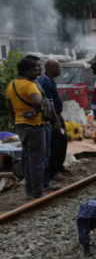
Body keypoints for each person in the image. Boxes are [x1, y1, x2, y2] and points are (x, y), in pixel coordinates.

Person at [6, 59, 45, 199]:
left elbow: (10, 107)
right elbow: (37, 101)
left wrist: (17, 120)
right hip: (34, 126)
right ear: (26, 72)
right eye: (34, 70)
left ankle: (29, 191)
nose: (37, 72)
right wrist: (36, 112)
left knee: (28, 160)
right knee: (37, 161)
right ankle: (37, 193)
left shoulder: (11, 85)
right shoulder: (30, 85)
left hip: (21, 126)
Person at [24, 55, 61, 192]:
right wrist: (38, 114)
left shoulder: (35, 82)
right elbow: (41, 102)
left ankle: (36, 187)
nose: (39, 70)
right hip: (38, 124)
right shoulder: (32, 84)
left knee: (38, 156)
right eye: (36, 67)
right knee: (39, 158)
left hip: (36, 123)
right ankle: (40, 188)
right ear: (27, 70)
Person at [38, 59, 69, 180]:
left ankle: (59, 165)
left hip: (57, 115)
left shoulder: (50, 81)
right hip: (52, 116)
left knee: (62, 140)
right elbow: (49, 105)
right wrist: (56, 121)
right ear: (51, 69)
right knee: (54, 143)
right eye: (58, 68)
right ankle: (53, 171)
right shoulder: (45, 82)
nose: (60, 70)